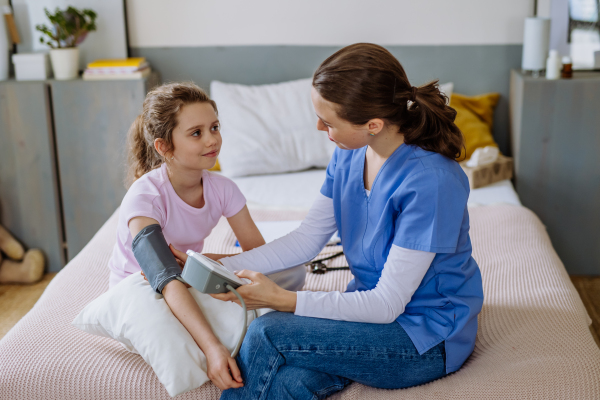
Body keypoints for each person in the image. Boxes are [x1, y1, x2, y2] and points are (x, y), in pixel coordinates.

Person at [173, 43, 484, 399]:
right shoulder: (348, 156)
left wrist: (282, 299)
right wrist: (222, 264)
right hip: (367, 314)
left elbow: (386, 305)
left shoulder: (432, 182)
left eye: (329, 121)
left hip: (424, 338)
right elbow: (307, 238)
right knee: (288, 382)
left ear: (373, 124)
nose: (319, 126)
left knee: (267, 333)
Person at [106, 82, 305, 391]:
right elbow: (165, 278)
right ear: (164, 147)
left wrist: (209, 261)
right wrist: (214, 350)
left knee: (292, 270)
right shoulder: (144, 197)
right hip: (144, 284)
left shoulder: (223, 188)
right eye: (196, 133)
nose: (213, 140)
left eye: (214, 127)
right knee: (173, 320)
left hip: (189, 274)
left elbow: (260, 255)